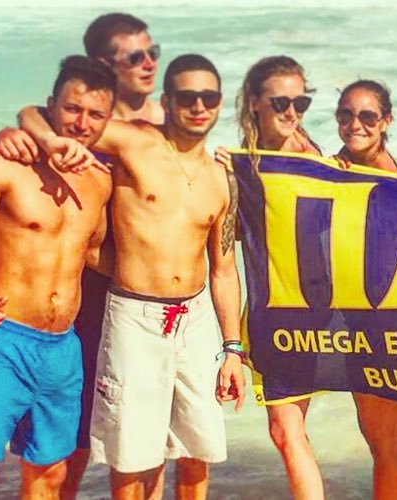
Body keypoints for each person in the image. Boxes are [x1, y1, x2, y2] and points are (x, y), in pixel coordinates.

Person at [13, 54, 247, 500]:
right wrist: (45, 140)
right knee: (131, 451)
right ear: (167, 100)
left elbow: (223, 269)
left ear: (220, 103)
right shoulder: (137, 142)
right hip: (135, 315)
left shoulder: (222, 178)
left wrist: (232, 349)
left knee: (197, 446)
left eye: (209, 97)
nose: (199, 106)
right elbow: (37, 114)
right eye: (187, 97)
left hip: (195, 318)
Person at [0, 15, 165, 497]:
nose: (150, 64)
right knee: (77, 420)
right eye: (136, 56)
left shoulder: (163, 117)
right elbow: (32, 115)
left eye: (153, 52)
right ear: (102, 64)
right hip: (89, 287)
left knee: (147, 419)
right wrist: (18, 136)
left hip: (146, 294)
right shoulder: (79, 126)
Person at [0, 55, 117, 500]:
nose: (82, 123)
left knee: (49, 478)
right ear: (51, 106)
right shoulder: (4, 164)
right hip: (1, 341)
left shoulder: (99, 181)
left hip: (63, 350)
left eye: (95, 114)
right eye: (72, 108)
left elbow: (96, 255)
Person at [232, 55, 329, 500]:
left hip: (303, 310)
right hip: (269, 306)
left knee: (285, 428)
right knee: (286, 428)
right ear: (255, 103)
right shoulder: (247, 160)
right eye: (281, 103)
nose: (292, 112)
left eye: (301, 103)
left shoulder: (307, 159)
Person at [333, 79, 397, 173]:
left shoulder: (388, 175)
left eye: (367, 117)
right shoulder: (348, 155)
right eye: (346, 115)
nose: (354, 126)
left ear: (386, 122)